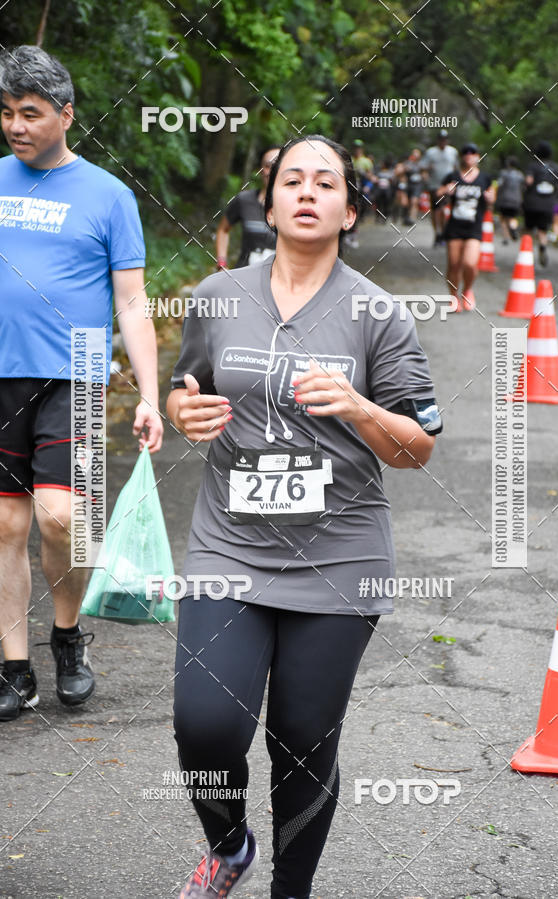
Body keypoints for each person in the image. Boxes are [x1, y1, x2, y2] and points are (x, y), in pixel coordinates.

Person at [167, 134, 441, 899]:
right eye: (294, 179)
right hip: (229, 547)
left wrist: (357, 405)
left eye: (328, 182)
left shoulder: (378, 314)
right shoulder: (218, 296)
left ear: (351, 209)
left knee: (301, 740)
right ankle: (229, 844)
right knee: (205, 724)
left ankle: (294, 889)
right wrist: (182, 409)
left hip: (339, 559)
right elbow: (185, 384)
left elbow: (416, 448)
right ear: (270, 199)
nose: (309, 191)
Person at [0, 46, 163, 721]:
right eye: (7, 112)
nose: (15, 125)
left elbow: (132, 301)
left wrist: (151, 393)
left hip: (80, 370)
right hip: (3, 373)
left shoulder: (108, 195)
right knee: (5, 523)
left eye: (31, 113)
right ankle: (15, 668)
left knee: (62, 517)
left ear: (66, 114)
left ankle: (68, 637)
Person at [437, 142, 495, 311]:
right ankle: (453, 296)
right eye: (466, 152)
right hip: (454, 226)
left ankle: (467, 290)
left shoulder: (485, 178)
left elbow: (492, 199)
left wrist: (491, 199)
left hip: (474, 227)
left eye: (473, 152)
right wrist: (445, 191)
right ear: (462, 157)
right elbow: (437, 196)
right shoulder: (452, 176)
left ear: (478, 156)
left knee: (470, 263)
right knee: (454, 264)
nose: (469, 155)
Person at [215, 146, 280, 269]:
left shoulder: (297, 205)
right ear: (261, 170)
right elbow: (223, 230)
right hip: (244, 277)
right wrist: (221, 264)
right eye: (268, 166)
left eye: (278, 165)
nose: (272, 170)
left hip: (281, 283)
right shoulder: (244, 200)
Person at [522, 140, 558, 267]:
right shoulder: (556, 168)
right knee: (542, 230)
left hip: (532, 203)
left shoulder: (533, 166)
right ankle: (543, 246)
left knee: (528, 228)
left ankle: (526, 252)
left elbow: (528, 181)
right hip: (548, 204)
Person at [422, 129, 459, 246]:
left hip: (447, 186)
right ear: (438, 140)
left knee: (443, 209)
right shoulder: (431, 152)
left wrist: (456, 182)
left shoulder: (453, 152)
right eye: (441, 139)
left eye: (445, 139)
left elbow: (456, 168)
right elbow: (423, 168)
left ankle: (443, 232)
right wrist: (427, 174)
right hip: (434, 186)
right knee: (435, 210)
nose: (443, 142)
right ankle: (437, 233)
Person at [496, 156, 524, 243]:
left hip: (505, 199)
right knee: (512, 217)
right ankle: (513, 228)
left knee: (503, 218)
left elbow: (499, 185)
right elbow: (523, 188)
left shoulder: (504, 173)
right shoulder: (520, 175)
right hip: (516, 200)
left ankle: (506, 237)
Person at [403, 147, 425, 224]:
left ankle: (412, 218)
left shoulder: (422, 164)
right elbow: (403, 172)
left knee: (414, 201)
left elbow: (425, 174)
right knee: (408, 202)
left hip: (417, 185)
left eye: (417, 153)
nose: (415, 155)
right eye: (414, 153)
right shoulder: (408, 163)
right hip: (409, 184)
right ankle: (407, 217)